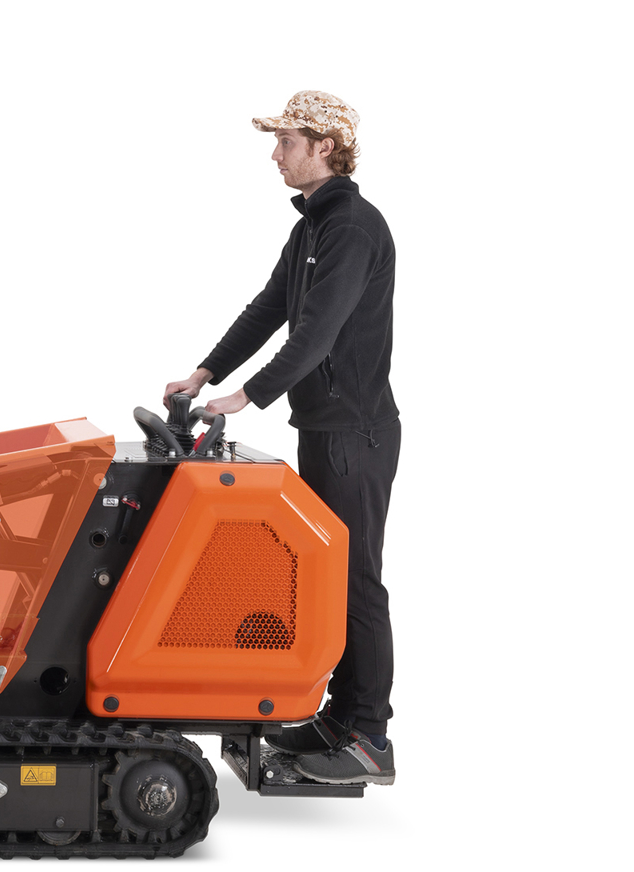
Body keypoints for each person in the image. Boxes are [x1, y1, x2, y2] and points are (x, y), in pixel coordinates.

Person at [165, 90, 399, 786]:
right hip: (325, 428)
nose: (275, 155)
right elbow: (270, 307)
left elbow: (318, 332)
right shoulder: (313, 228)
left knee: (356, 580)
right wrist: (205, 372)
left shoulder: (352, 227)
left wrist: (246, 396)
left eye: (287, 142)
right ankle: (339, 718)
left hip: (355, 434)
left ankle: (370, 737)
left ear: (327, 148)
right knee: (328, 576)